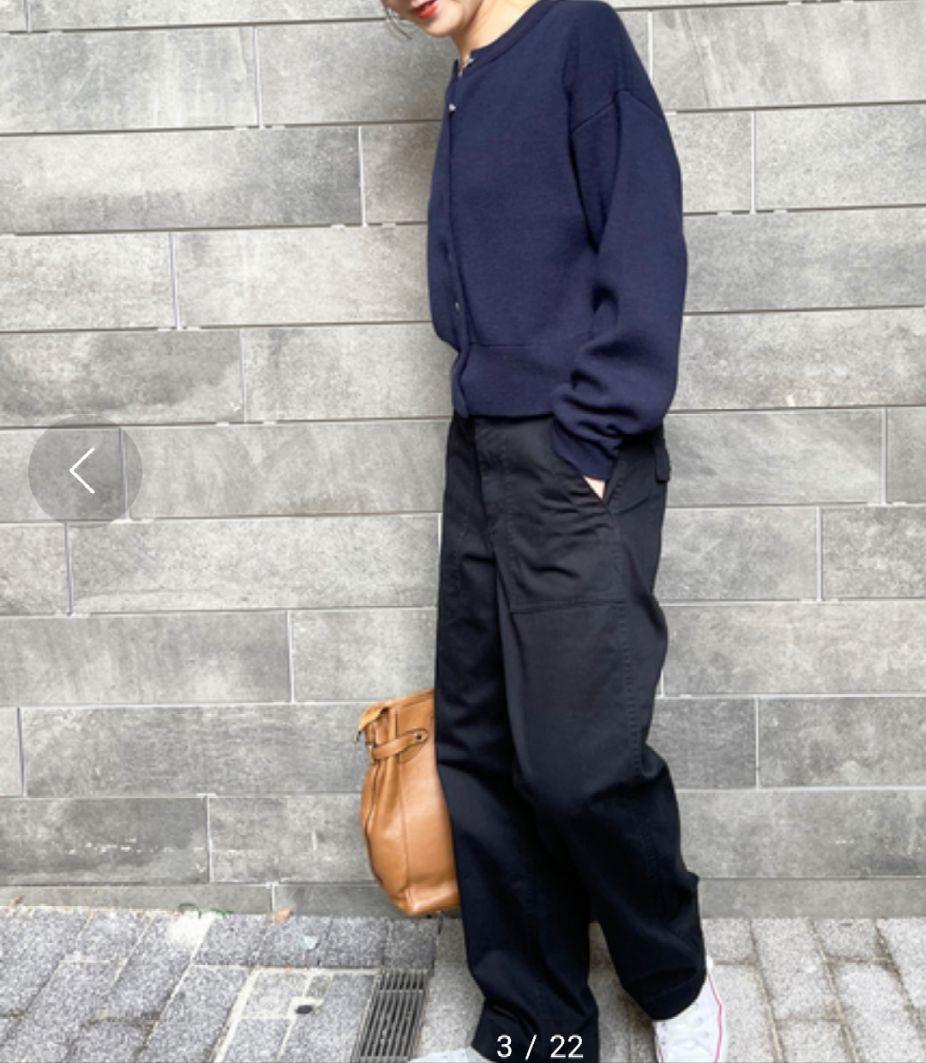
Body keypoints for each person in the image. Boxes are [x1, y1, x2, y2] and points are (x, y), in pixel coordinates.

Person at [381, 0, 728, 1059]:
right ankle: (537, 1021)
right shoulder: (468, 75)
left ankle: (676, 984)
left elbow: (644, 241)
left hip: (572, 446)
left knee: (578, 761)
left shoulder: (576, 36)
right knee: (482, 746)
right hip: (482, 446)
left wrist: (590, 434)